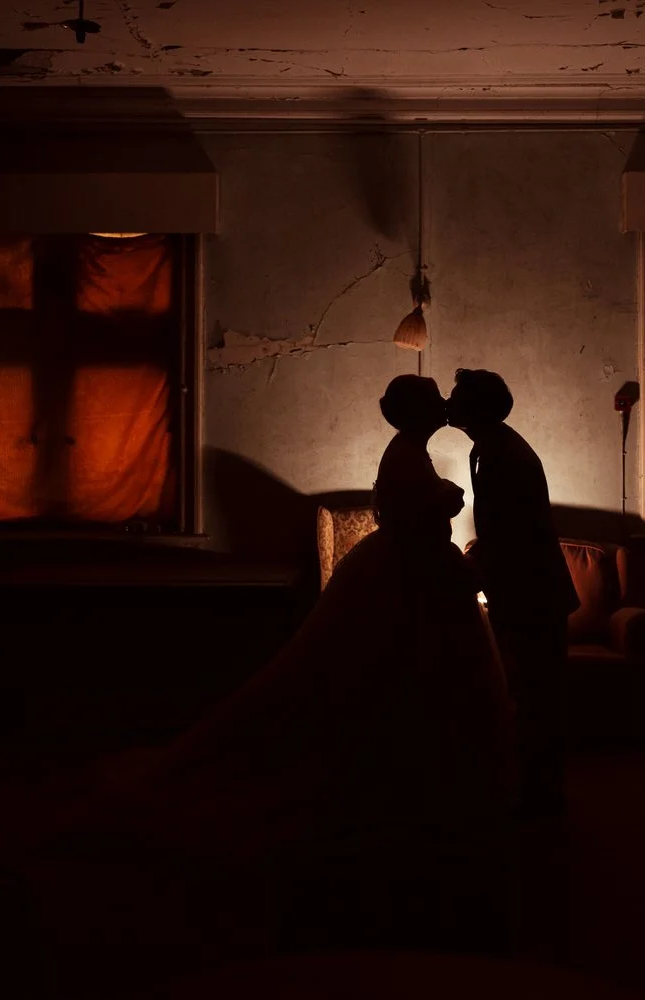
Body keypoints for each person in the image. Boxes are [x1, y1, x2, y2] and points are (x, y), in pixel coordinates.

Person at [47, 374, 515, 961]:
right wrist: (447, 498)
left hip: (414, 573)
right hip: (407, 575)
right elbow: (407, 513)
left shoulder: (411, 451)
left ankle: (422, 793)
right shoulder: (405, 453)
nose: (444, 404)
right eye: (434, 399)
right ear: (417, 413)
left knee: (411, 683)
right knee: (381, 678)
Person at [446, 368, 579, 820]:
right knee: (528, 694)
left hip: (533, 592)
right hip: (521, 590)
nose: (449, 402)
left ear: (476, 408)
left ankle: (544, 798)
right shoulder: (488, 447)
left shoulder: (505, 456)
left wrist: (472, 570)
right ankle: (535, 791)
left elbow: (513, 533)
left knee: (540, 696)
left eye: (457, 396)